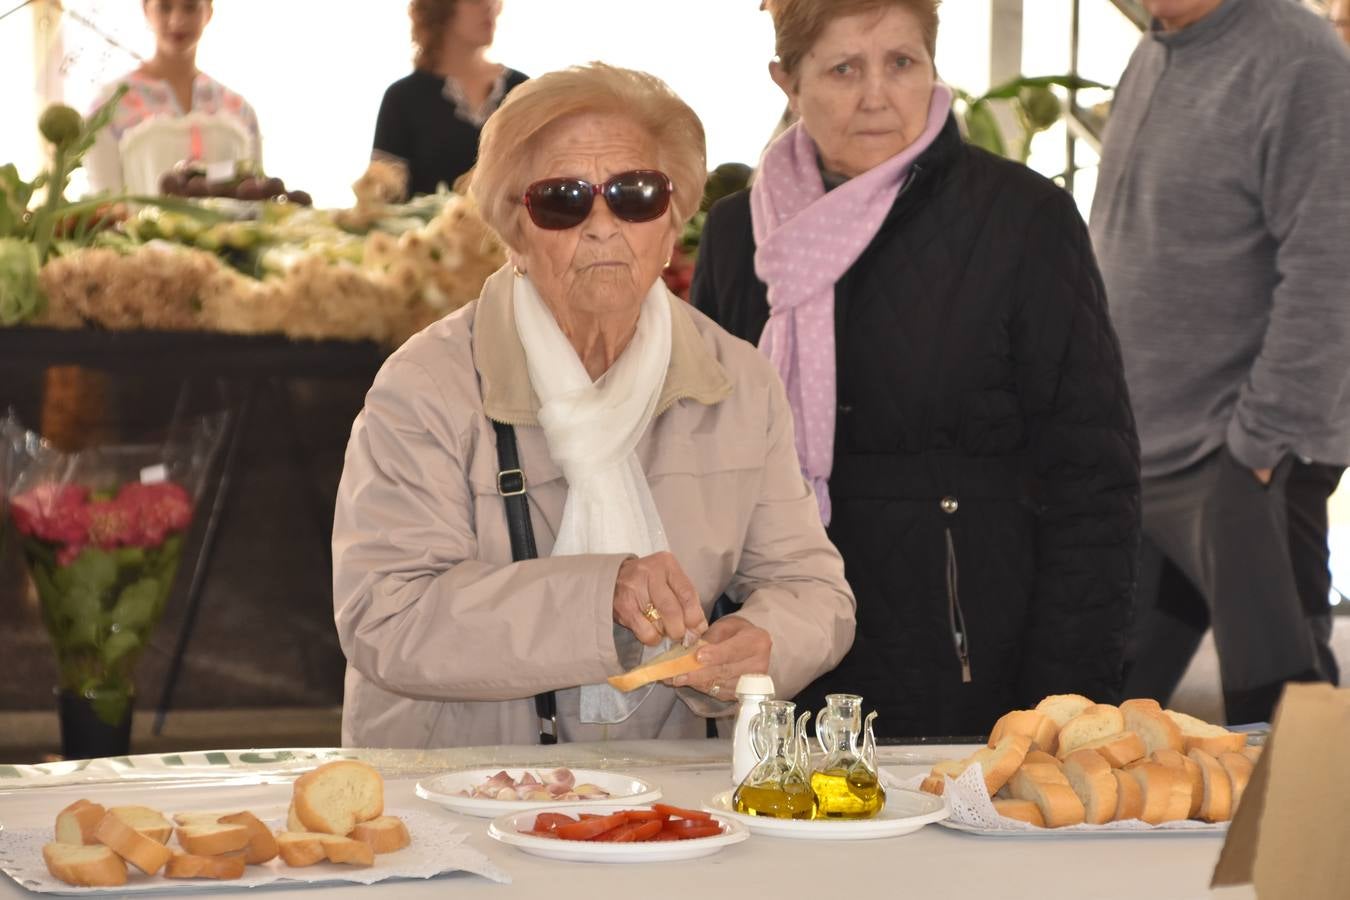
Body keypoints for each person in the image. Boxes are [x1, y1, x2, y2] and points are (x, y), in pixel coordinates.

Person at [332, 63, 857, 749]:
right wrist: (599, 596)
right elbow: (387, 617)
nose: (603, 225)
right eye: (563, 199)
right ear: (515, 230)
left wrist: (764, 645)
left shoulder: (738, 382)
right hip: (459, 796)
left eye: (635, 194)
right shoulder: (427, 387)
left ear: (671, 223)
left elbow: (813, 589)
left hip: (664, 803)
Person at [693, 0, 1140, 739]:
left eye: (901, 63)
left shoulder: (1023, 218)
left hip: (970, 660)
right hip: (783, 647)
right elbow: (708, 456)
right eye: (844, 69)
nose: (877, 94)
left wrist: (1068, 695)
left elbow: (1092, 476)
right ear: (787, 81)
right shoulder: (740, 232)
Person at [1091, 0, 1350, 724]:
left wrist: (1259, 448)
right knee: (1102, 727)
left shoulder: (1299, 61)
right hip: (1143, 458)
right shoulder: (1157, 48)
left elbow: (1333, 268)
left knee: (1287, 735)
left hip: (1242, 464)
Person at [86, 0, 261, 195]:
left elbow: (255, 198)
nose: (177, 21)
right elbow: (104, 205)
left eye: (190, 6)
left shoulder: (239, 110)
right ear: (146, 9)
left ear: (209, 11)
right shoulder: (108, 107)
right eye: (165, 6)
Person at [372, 0, 527, 198]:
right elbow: (382, 197)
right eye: (475, 1)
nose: (490, 6)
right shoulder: (403, 97)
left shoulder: (522, 90)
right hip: (425, 229)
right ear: (439, 7)